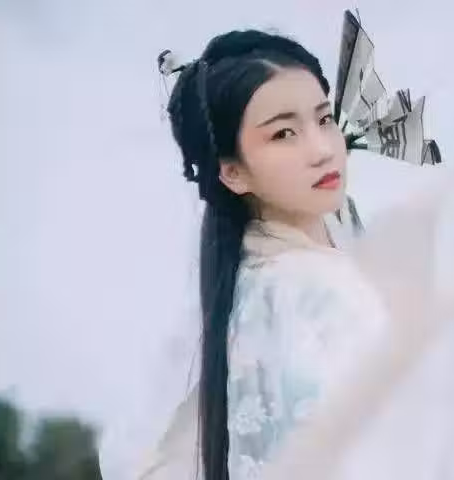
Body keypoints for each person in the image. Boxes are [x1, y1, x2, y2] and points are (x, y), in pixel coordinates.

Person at [141, 30, 391, 480]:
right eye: (283, 133)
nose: (323, 150)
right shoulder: (312, 290)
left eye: (324, 119)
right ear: (233, 173)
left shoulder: (239, 291)